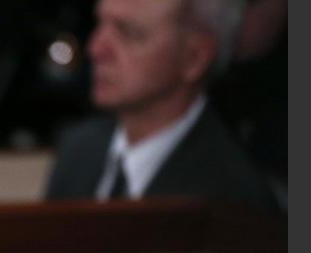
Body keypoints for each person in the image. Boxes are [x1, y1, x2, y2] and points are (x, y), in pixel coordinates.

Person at [44, 0, 281, 212]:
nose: (96, 49)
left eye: (128, 33)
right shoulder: (78, 150)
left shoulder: (232, 199)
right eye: (100, 23)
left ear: (194, 57)